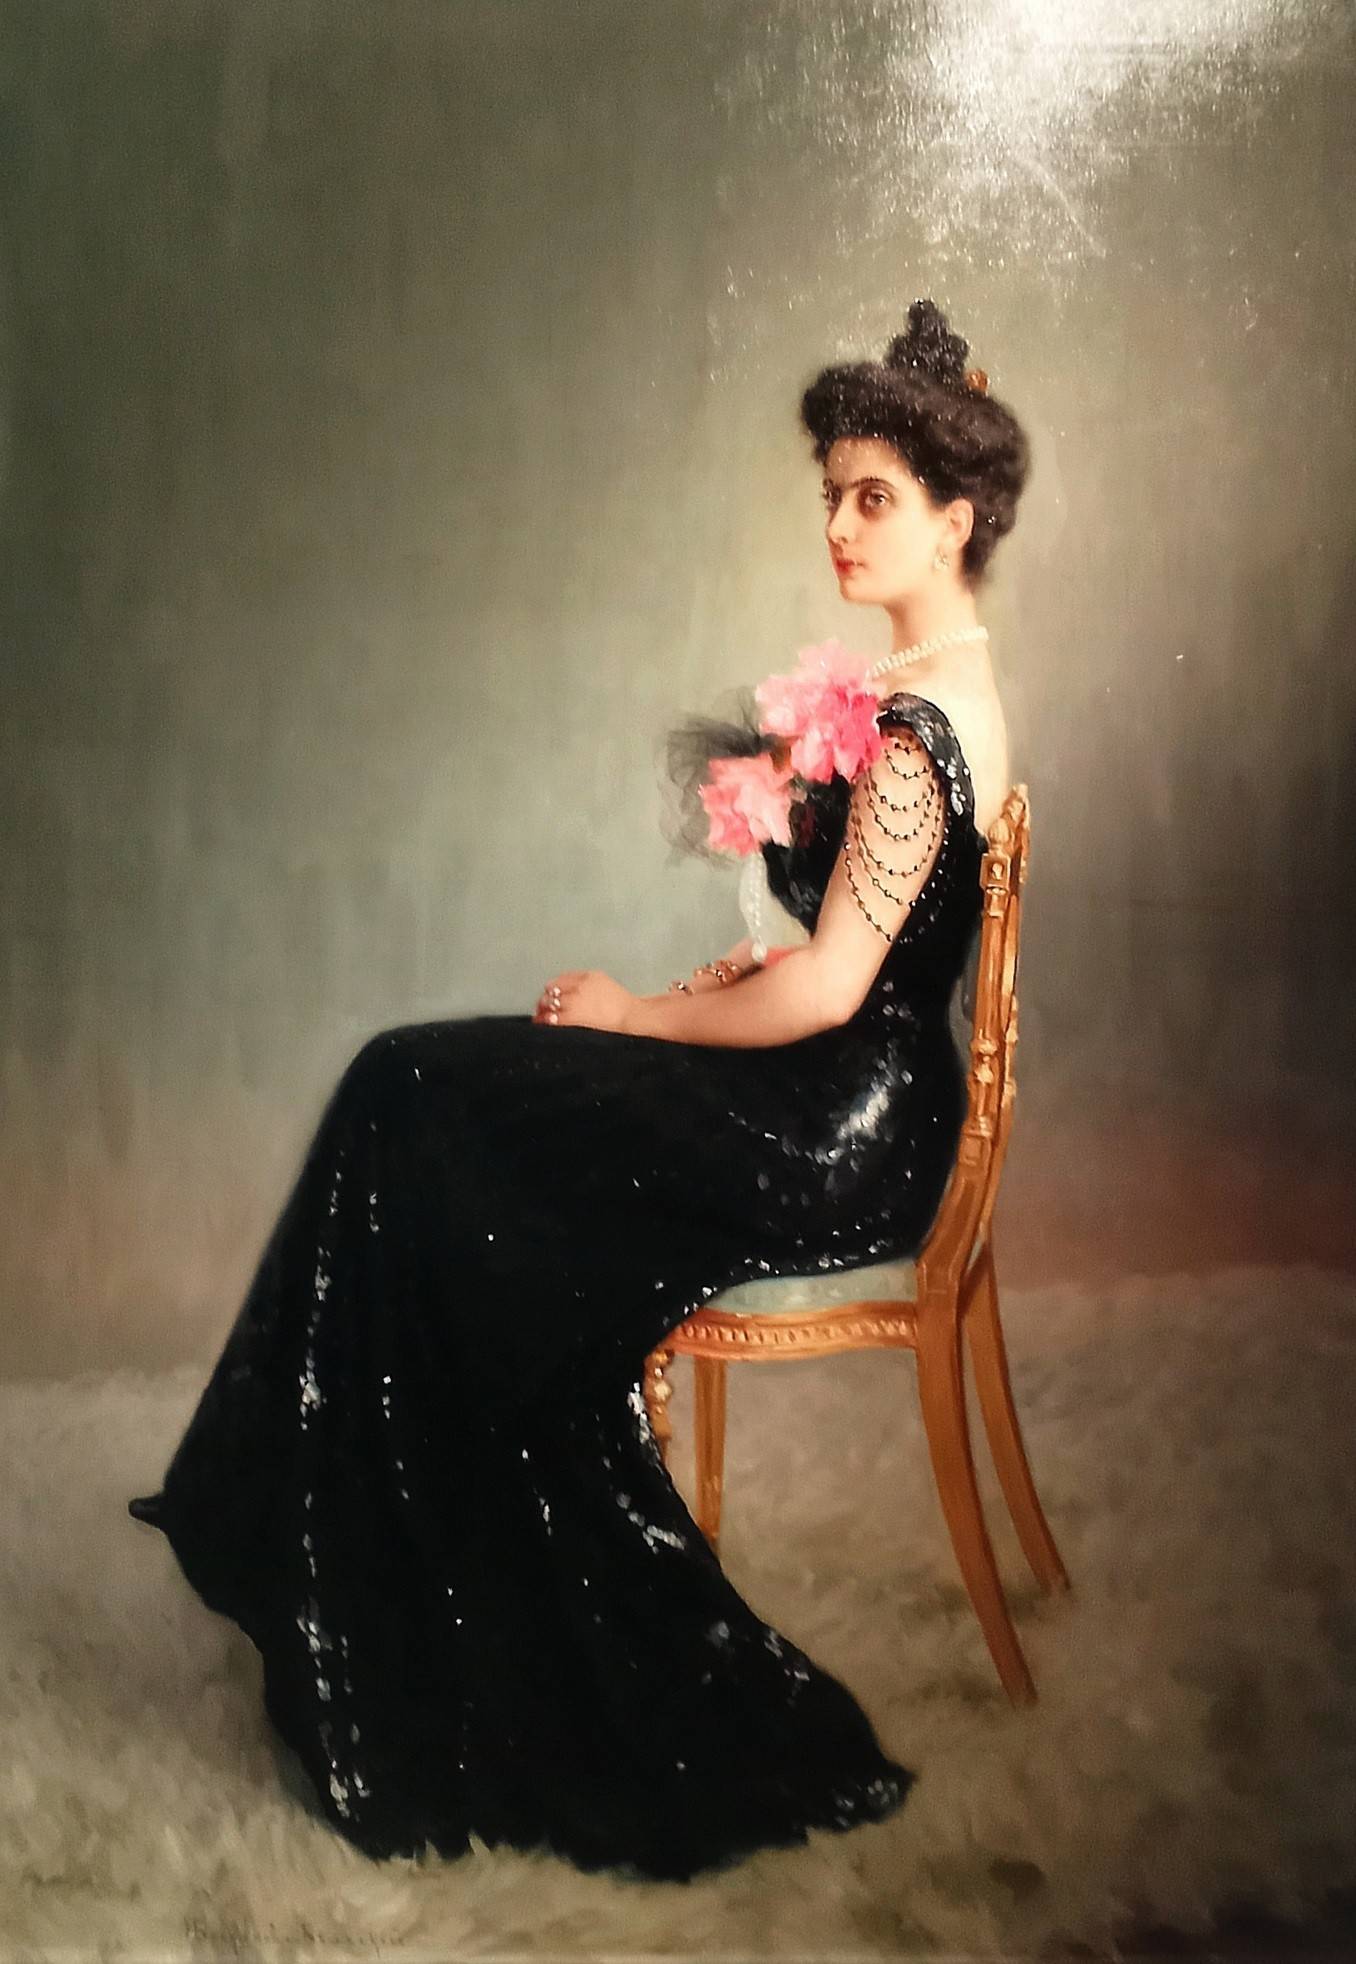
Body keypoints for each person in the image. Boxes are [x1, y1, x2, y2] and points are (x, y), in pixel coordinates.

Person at [127, 296, 1031, 1882]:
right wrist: (718, 986)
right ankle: (335, 1540)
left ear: (956, 520)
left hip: (843, 1124)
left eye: (874, 497)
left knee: (416, 1095)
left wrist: (633, 1017)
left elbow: (837, 989)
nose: (838, 523)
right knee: (421, 1097)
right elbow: (857, 959)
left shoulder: (915, 734)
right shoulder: (944, 690)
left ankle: (344, 1559)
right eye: (830, 492)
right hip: (851, 1083)